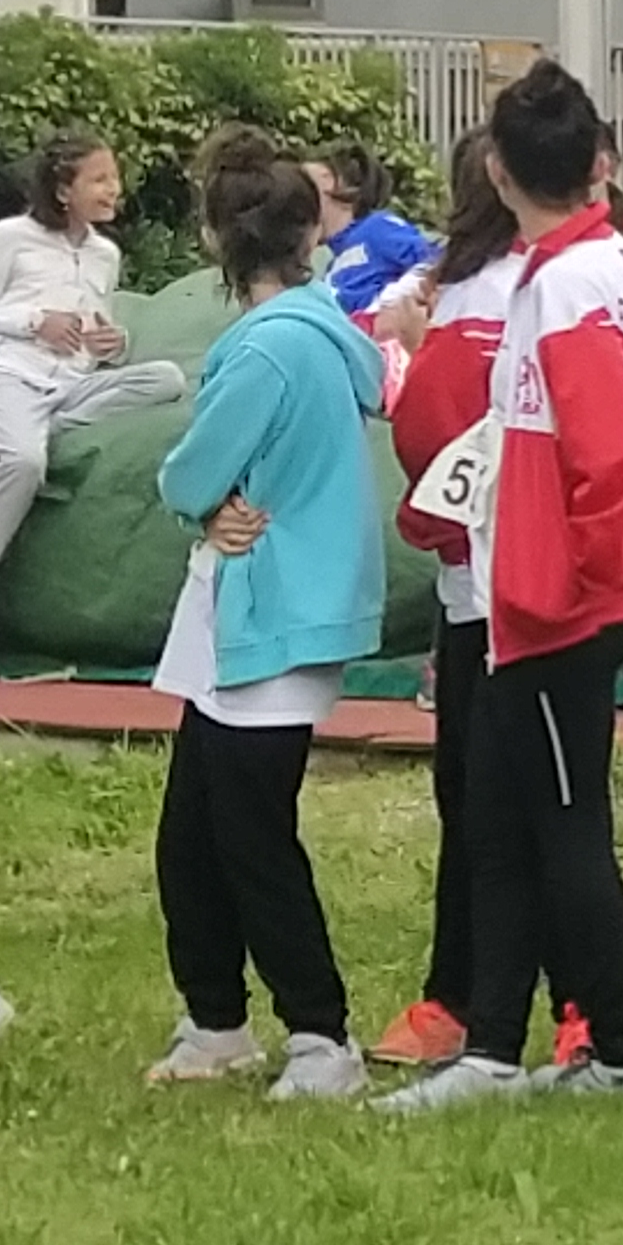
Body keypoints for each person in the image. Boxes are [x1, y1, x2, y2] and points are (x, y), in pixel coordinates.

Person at [377, 60, 623, 1113]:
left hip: (558, 607)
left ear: (500, 172)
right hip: (530, 601)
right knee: (503, 826)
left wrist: (583, 580)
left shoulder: (569, 284)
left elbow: (616, 451)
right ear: (597, 160)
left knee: (565, 830)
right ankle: (493, 1050)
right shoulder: (602, 264)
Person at [141, 136, 387, 1102]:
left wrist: (201, 504)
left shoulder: (267, 348)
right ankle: (217, 1023)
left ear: (218, 239)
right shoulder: (320, 328)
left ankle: (321, 1037)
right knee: (195, 835)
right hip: (263, 608)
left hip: (272, 608)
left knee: (249, 840)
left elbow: (189, 475)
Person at [372, 135, 523, 1069]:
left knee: (494, 808)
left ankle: (476, 1004)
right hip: (483, 589)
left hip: (509, 593)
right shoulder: (460, 290)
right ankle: (495, 1003)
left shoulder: (489, 298)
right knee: (500, 803)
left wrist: (425, 352)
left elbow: (430, 436)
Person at [0, 133, 188, 584]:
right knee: (24, 462)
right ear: (64, 190)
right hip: (15, 374)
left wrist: (112, 342)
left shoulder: (106, 254)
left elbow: (100, 331)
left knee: (167, 379)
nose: (113, 189)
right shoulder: (11, 237)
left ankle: (44, 425)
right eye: (99, 180)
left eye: (114, 178)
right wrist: (35, 322)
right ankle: (26, 429)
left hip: (73, 385)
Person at [308, 144, 435, 318]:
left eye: (307, 183)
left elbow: (433, 261)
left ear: (331, 181)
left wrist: (387, 304)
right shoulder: (332, 267)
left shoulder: (379, 228)